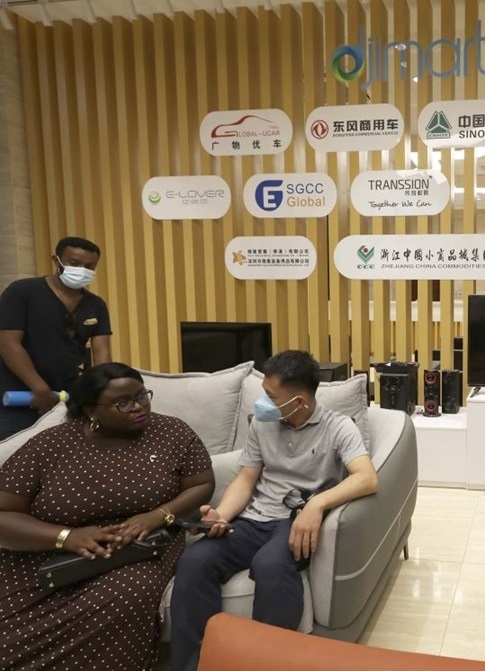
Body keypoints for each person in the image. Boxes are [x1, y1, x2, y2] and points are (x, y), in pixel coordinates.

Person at [169, 350, 379, 671]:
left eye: (271, 396)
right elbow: (246, 479)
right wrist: (222, 515)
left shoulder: (338, 427)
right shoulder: (262, 424)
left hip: (293, 523)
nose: (262, 403)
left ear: (299, 401)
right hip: (252, 519)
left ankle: (268, 662)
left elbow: (367, 478)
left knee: (270, 565)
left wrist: (317, 504)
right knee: (195, 562)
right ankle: (196, 664)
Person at [0, 362, 214, 670]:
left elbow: (201, 484)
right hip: (45, 557)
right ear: (91, 410)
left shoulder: (172, 432)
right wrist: (67, 538)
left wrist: (158, 516)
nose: (138, 407)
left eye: (142, 396)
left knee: (132, 592)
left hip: (137, 550)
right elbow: (4, 512)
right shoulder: (50, 445)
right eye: (123, 403)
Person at [0, 236, 112, 440]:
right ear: (56, 260)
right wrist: (39, 388)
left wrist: (101, 389)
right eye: (74, 263)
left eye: (89, 267)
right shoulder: (22, 292)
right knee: (13, 453)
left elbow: (102, 351)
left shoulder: (96, 305)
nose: (82, 270)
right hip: (19, 396)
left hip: (66, 397)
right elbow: (8, 344)